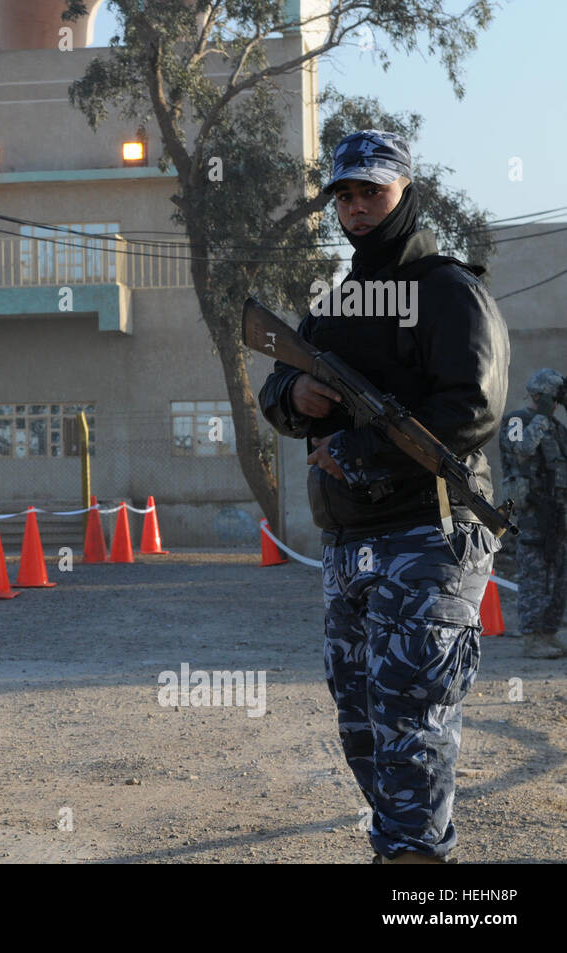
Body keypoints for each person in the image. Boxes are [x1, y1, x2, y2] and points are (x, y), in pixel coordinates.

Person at [258, 130, 510, 863]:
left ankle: (414, 865)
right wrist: (294, 395)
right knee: (362, 718)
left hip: (431, 531)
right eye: (345, 194)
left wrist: (363, 449)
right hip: (351, 538)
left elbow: (472, 406)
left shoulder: (448, 289)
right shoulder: (338, 302)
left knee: (413, 712)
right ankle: (406, 845)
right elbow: (281, 387)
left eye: (373, 191)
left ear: (405, 192)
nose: (358, 207)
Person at [498, 368, 567, 658]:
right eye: (552, 398)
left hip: (558, 511)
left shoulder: (557, 427)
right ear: (538, 396)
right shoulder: (516, 420)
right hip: (532, 511)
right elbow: (522, 449)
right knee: (534, 573)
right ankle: (531, 638)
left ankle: (548, 633)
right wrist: (541, 416)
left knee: (560, 574)